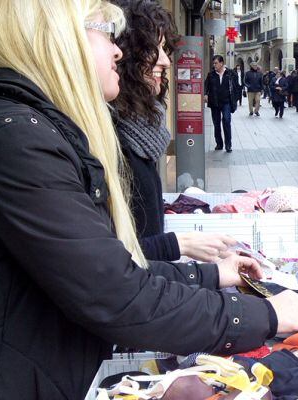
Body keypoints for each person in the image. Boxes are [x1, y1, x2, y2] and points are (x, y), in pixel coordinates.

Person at [0, 1, 298, 398]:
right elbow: (116, 292)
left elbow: (107, 268)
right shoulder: (22, 142)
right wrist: (261, 315)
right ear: (55, 38)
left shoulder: (35, 132)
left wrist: (210, 275)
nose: (117, 51)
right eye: (106, 35)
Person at [110, 0, 237, 262]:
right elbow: (110, 257)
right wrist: (178, 245)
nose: (166, 61)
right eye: (153, 49)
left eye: (165, 49)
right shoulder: (109, 138)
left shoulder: (140, 129)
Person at [203, 55, 238, 152]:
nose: (214, 65)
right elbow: (206, 86)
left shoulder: (230, 74)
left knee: (226, 121)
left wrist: (236, 99)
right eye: (213, 63)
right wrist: (205, 94)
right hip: (214, 102)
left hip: (226, 102)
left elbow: (236, 87)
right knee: (216, 124)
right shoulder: (211, 74)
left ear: (221, 63)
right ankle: (219, 144)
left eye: (216, 63)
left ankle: (228, 145)